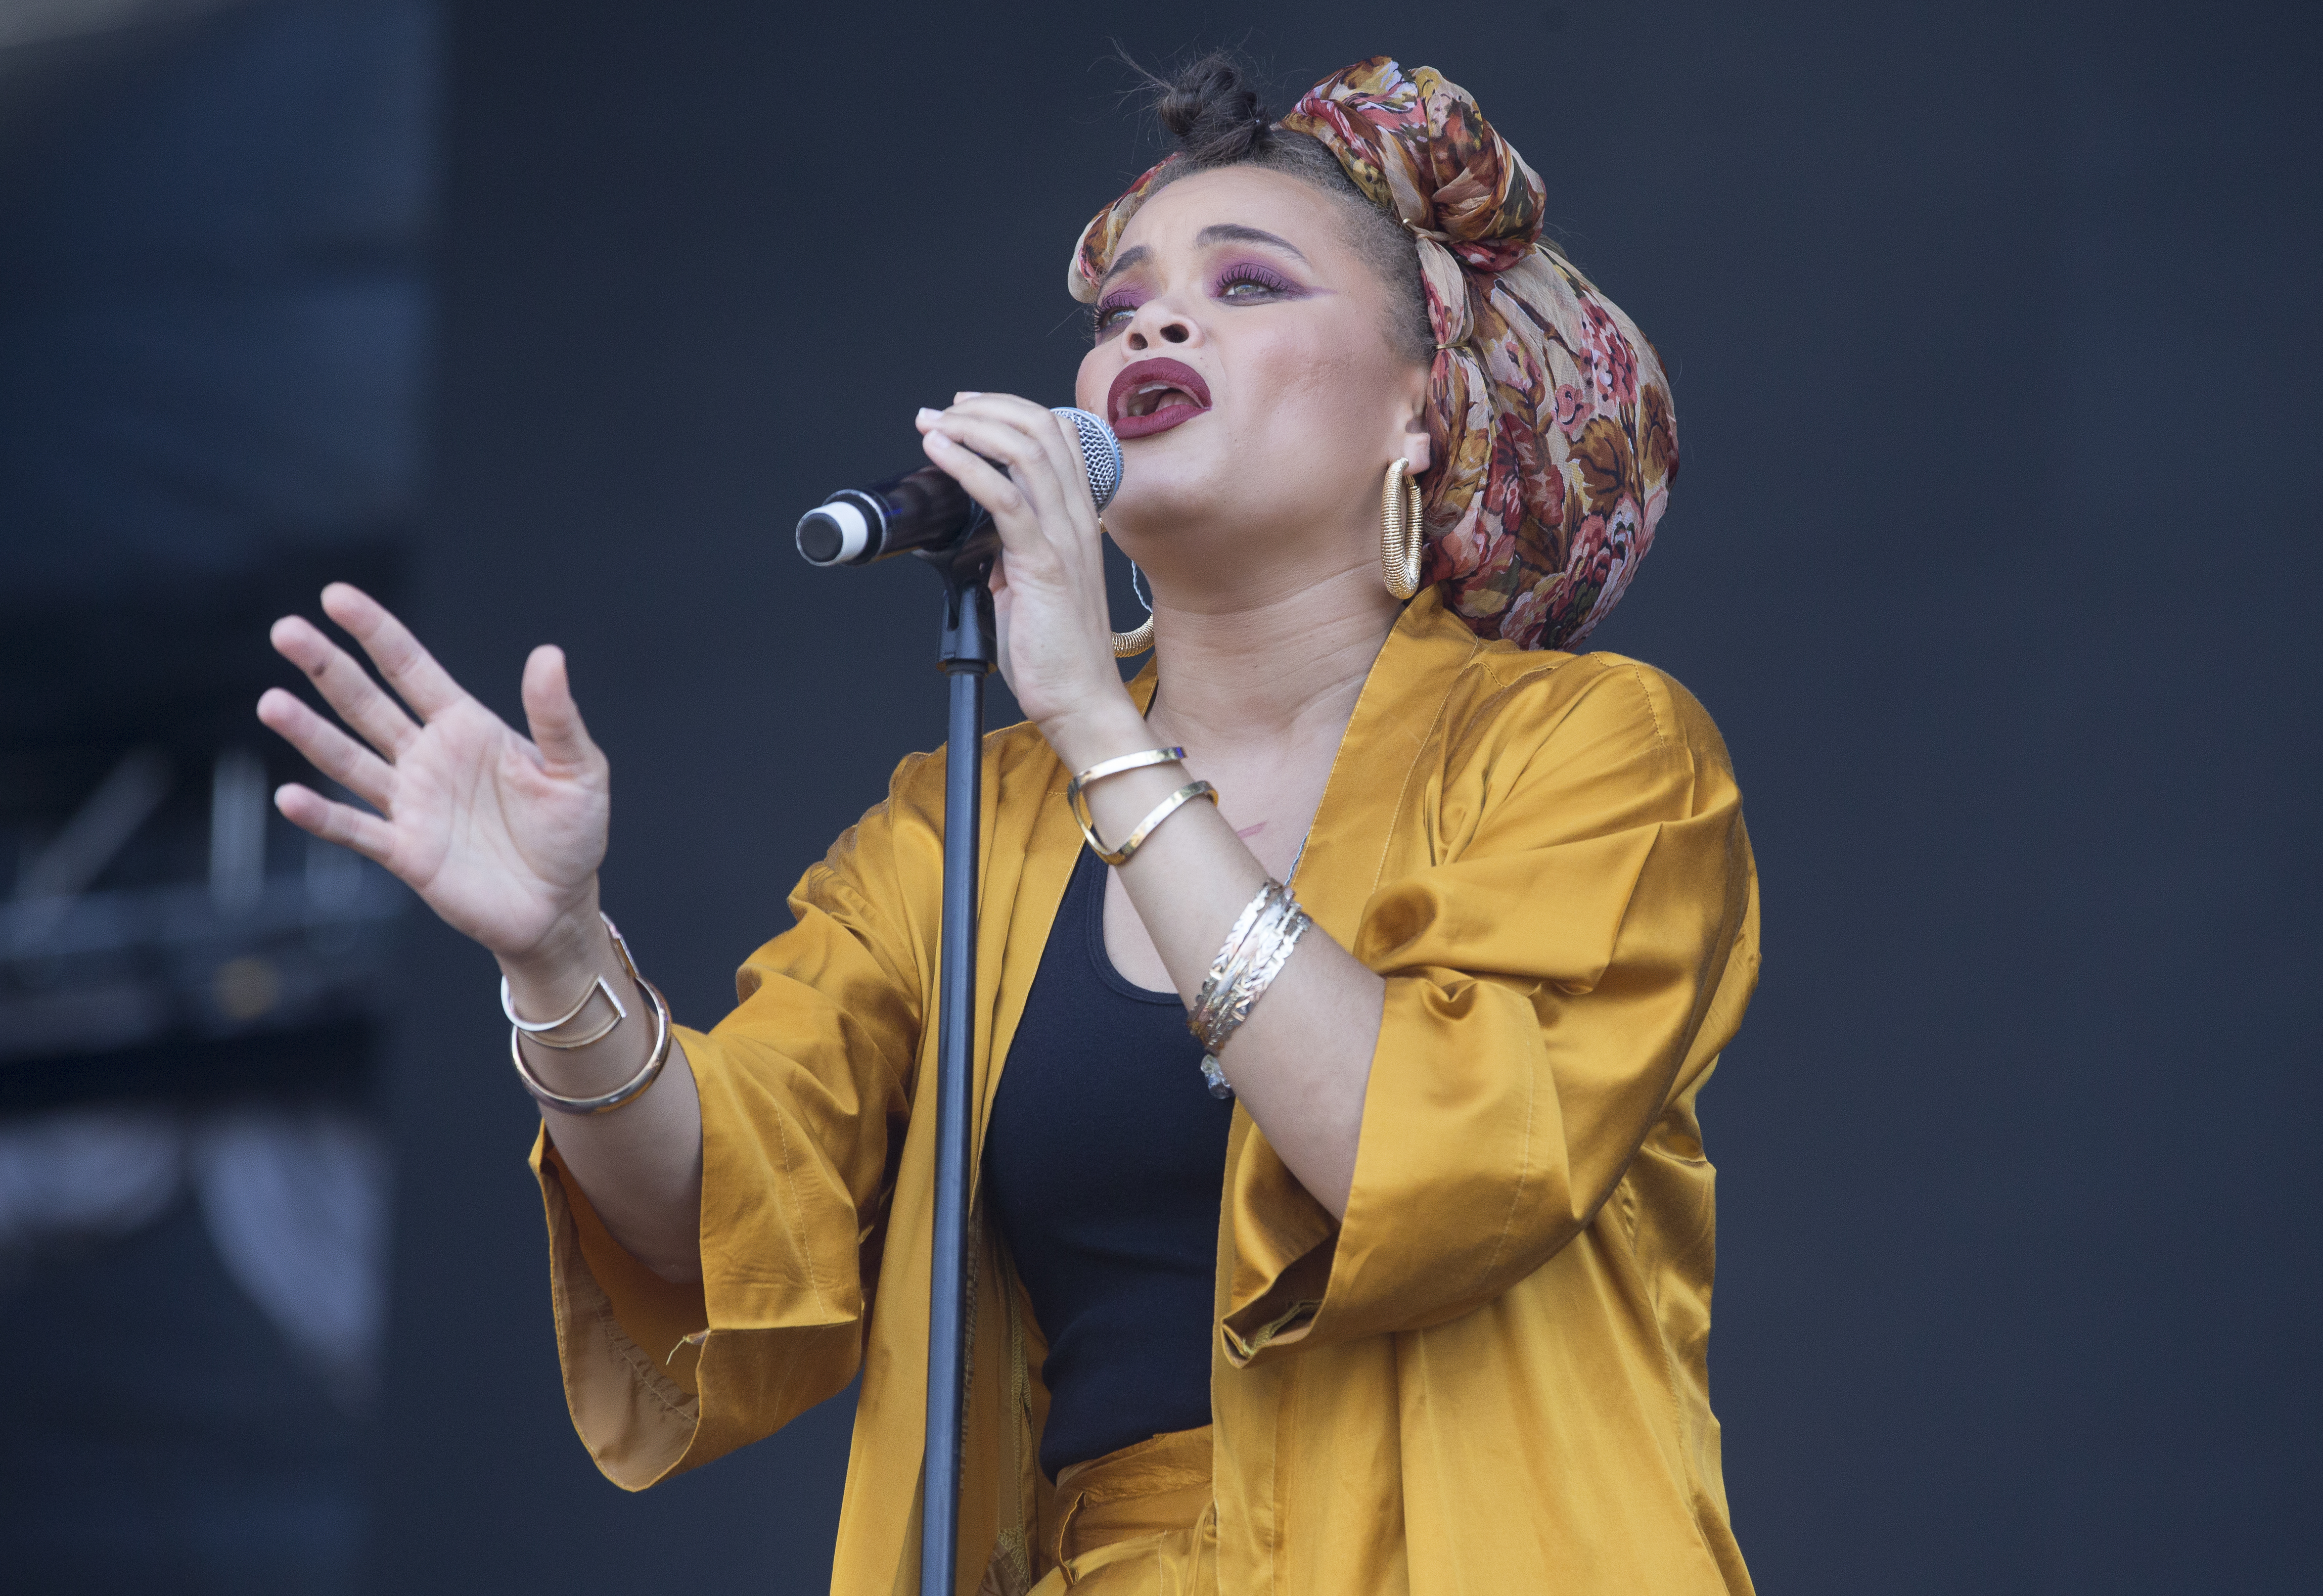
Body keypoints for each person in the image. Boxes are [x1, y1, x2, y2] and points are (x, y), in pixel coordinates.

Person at [257, 53, 1761, 1596]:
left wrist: (1100, 725)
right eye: (1120, 312)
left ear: (1425, 409)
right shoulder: (963, 826)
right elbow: (721, 1223)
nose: (1155, 325)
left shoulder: (1591, 753)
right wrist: (560, 954)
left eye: (1248, 288)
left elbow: (1434, 1162)